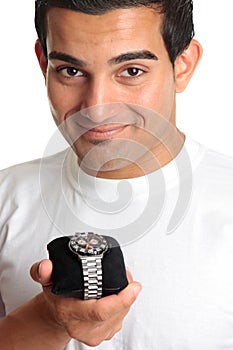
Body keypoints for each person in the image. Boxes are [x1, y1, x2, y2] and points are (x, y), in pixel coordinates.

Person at [0, 0, 233, 349]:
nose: (97, 107)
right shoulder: (5, 198)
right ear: (43, 63)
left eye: (132, 71)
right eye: (71, 71)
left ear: (182, 66)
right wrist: (47, 320)